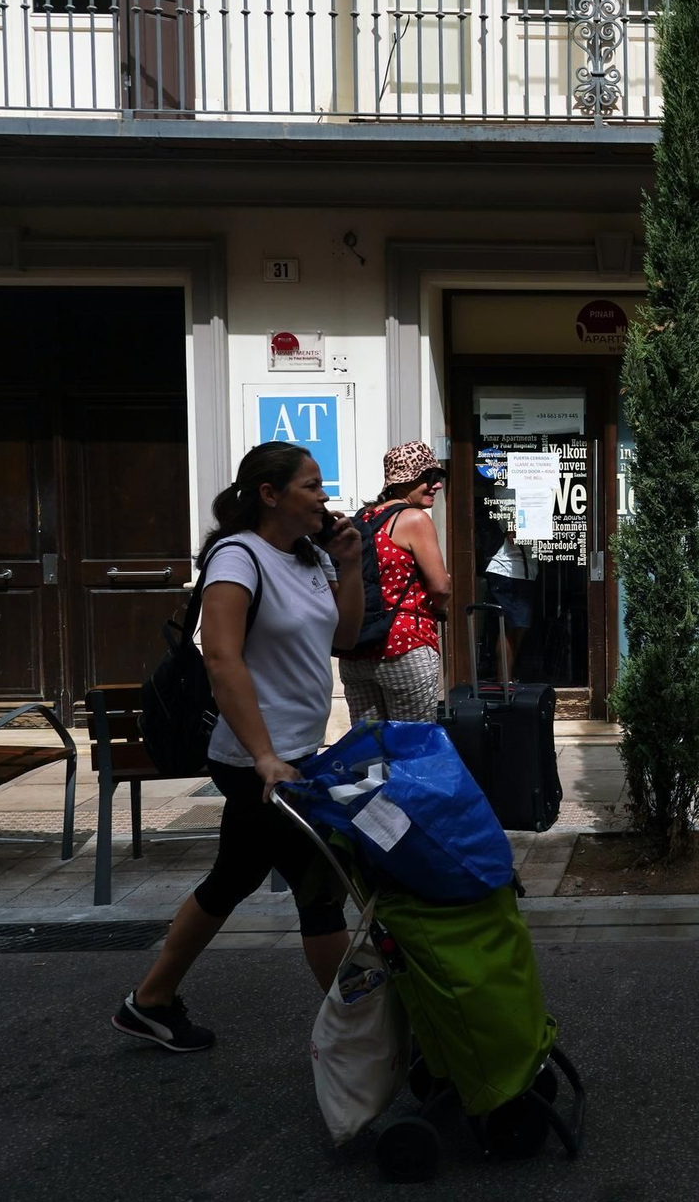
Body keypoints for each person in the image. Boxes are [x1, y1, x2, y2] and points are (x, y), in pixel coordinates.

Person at [112, 442, 364, 1053]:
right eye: (310, 486)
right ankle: (366, 1038)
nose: (324, 497)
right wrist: (263, 757)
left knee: (232, 878)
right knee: (319, 892)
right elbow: (222, 659)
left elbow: (346, 638)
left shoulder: (310, 559)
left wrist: (350, 567)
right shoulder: (237, 556)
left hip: (299, 751)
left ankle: (150, 1000)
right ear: (270, 495)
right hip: (256, 762)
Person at [338, 441, 450, 724]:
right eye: (429, 478)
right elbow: (440, 587)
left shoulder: (363, 518)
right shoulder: (414, 519)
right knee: (412, 748)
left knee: (368, 750)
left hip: (357, 652)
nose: (436, 485)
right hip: (405, 648)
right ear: (404, 481)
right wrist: (441, 603)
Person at [484, 508, 537, 681]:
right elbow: (513, 536)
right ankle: (504, 682)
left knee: (516, 627)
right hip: (510, 572)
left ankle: (507, 680)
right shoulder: (520, 501)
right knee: (510, 628)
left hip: (520, 572)